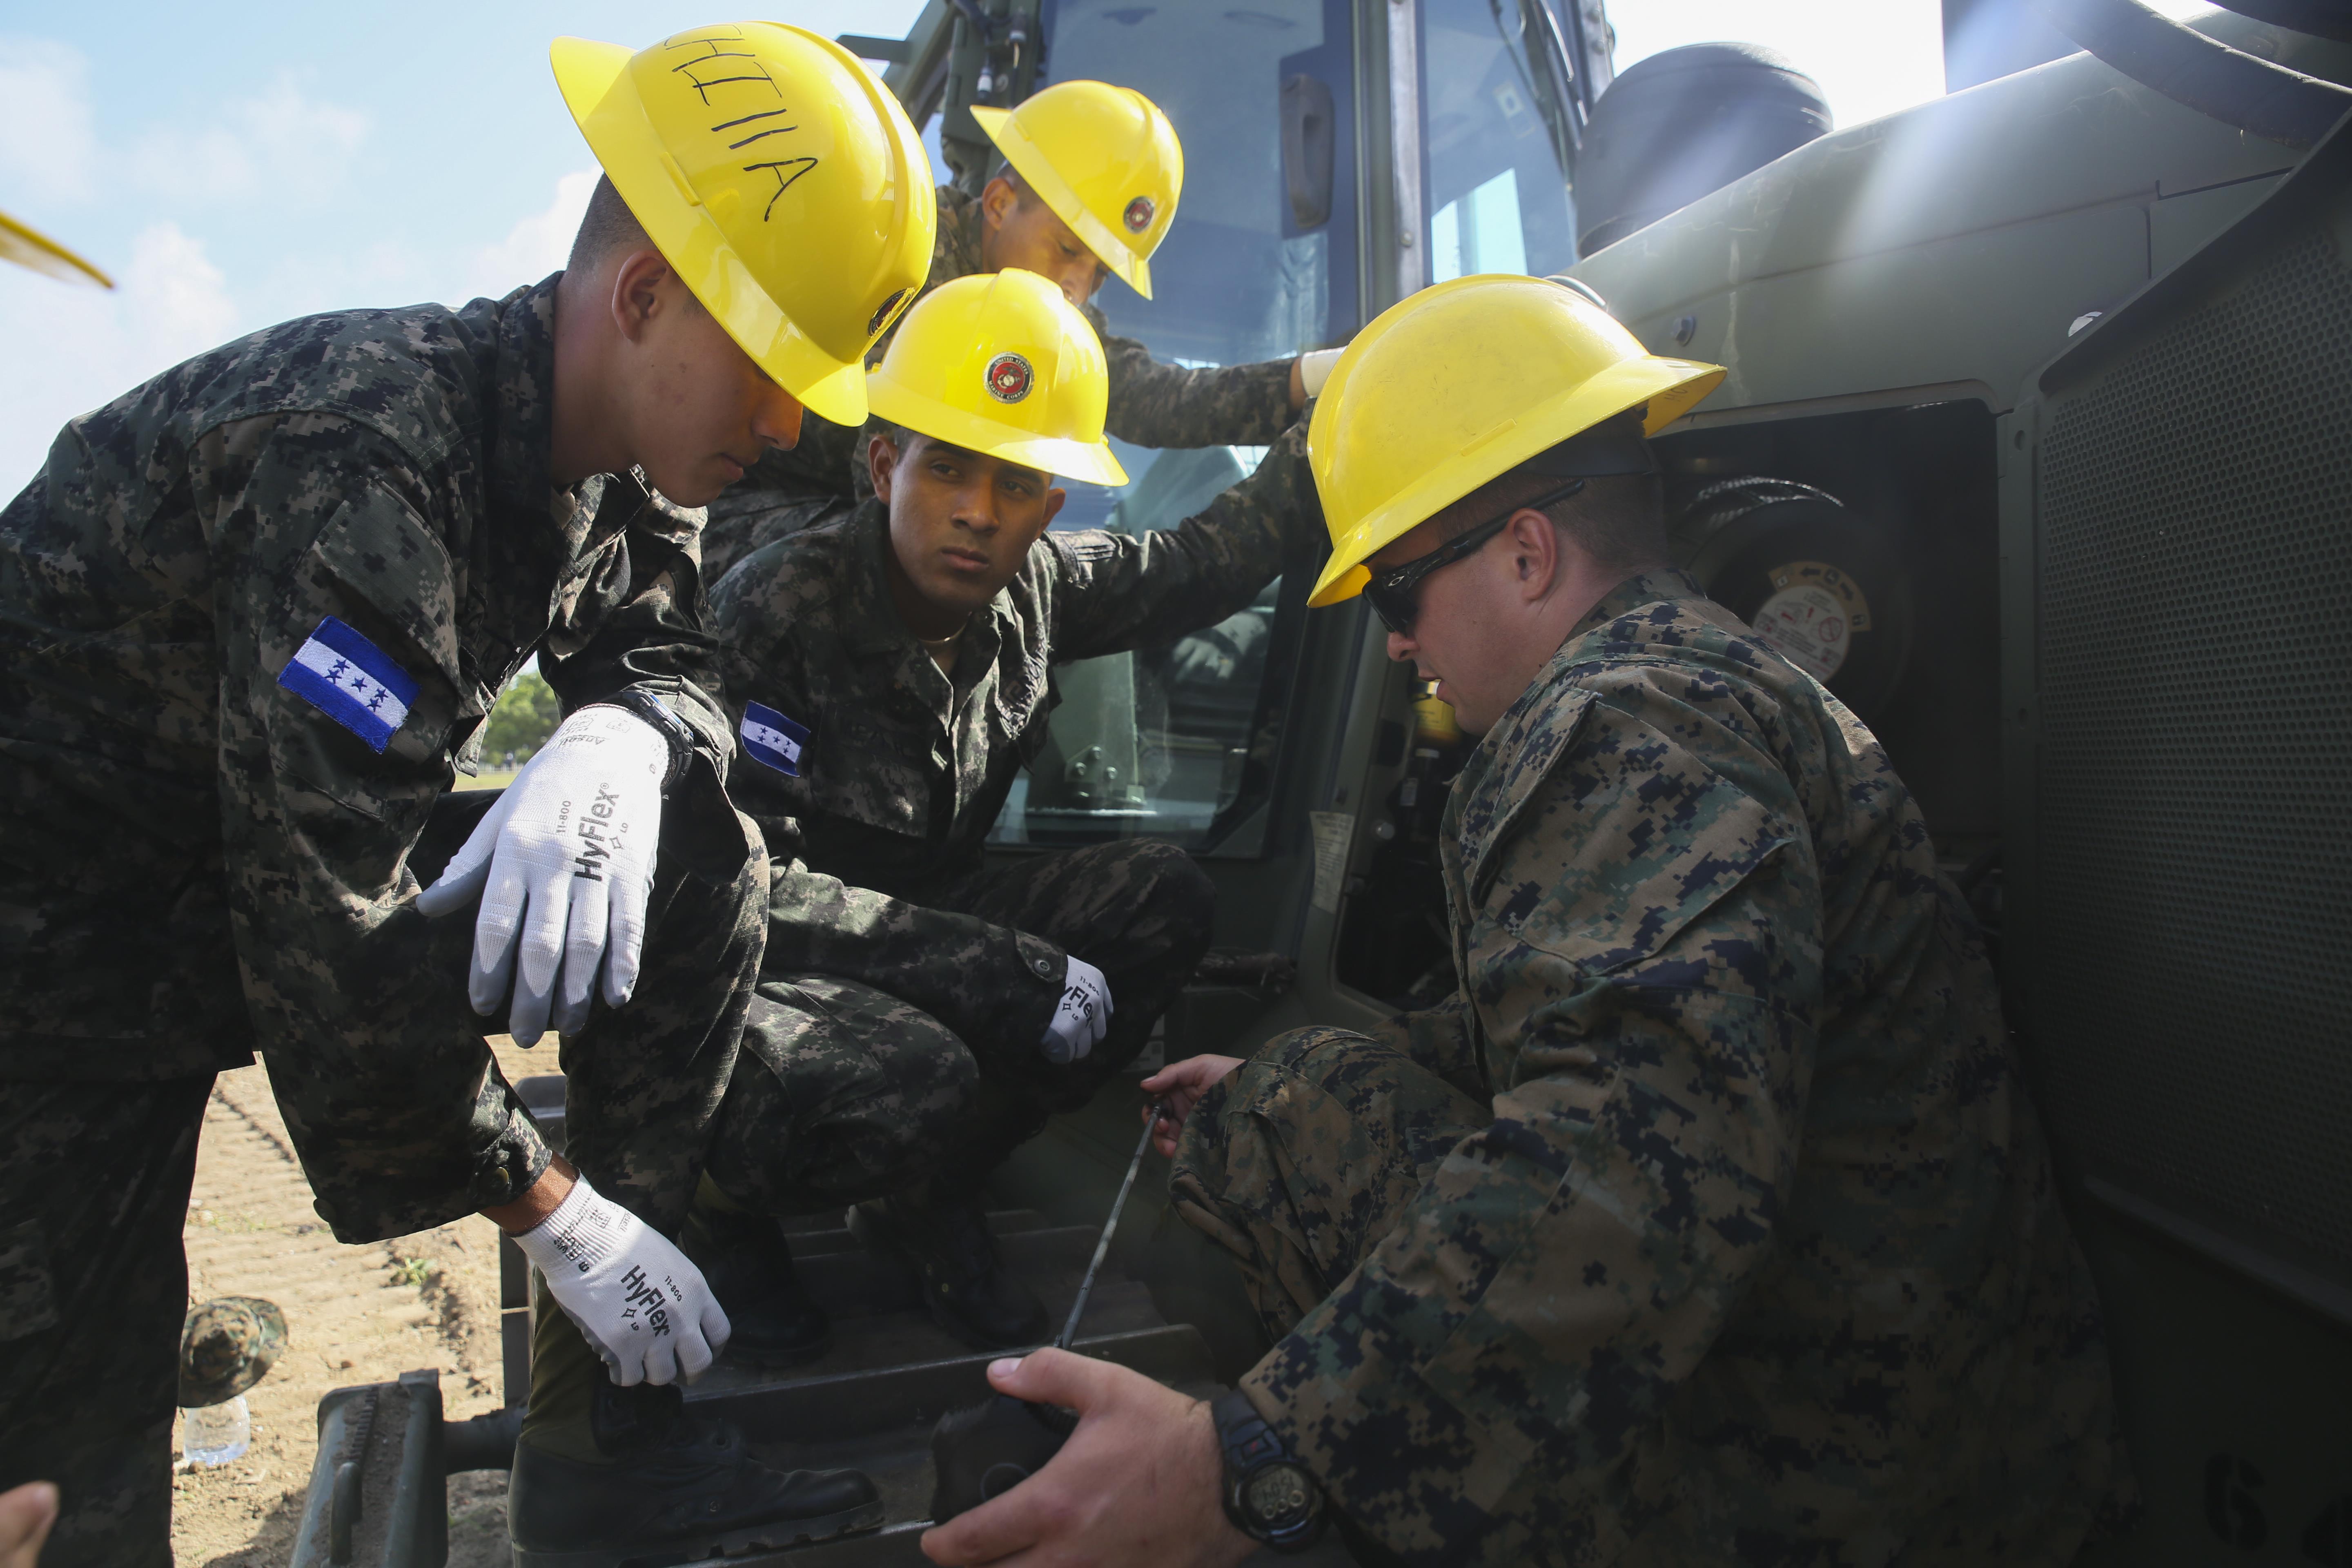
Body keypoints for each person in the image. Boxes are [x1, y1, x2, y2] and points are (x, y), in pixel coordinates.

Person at [918, 275, 2133, 1567]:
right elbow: (1610, 1020)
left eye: (1397, 595)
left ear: (1528, 554)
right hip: (1912, 1398)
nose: (1396, 648)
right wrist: (1332, 1067)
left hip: (1829, 1478)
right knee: (1290, 1082)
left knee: (1294, 1121)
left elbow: (1621, 1187)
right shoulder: (1702, 673)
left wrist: (1252, 1467)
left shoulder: (1621, 724)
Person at [0, 23, 933, 1566]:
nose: (790, 430)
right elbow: (328, 933)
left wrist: (631, 734)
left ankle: (601, 1448)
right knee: (63, 1474)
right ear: (642, 299)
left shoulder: (607, 466)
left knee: (701, 846)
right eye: (775, 375)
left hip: (184, 915)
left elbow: (675, 650)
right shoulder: (367, 456)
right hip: (44, 980)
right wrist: (558, 1211)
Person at [690, 267, 1322, 1357]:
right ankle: (718, 1217)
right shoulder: (778, 605)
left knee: (1159, 900)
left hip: (920, 910)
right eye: (950, 470)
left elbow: (1196, 565)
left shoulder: (1032, 590)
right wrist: (996, 968)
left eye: (1019, 484)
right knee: (913, 1066)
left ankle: (929, 1192)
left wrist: (1325, 432)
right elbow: (739, 887)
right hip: (761, 952)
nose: (981, 513)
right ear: (887, 465)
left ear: (1053, 505)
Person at [698, 76, 1339, 582]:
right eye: (1067, 249)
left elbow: (1153, 399)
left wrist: (1313, 379)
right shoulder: (894, 260)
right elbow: (887, 493)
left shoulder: (1041, 316)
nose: (1077, 287)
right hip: (751, 516)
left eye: (1099, 272)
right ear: (1001, 204)